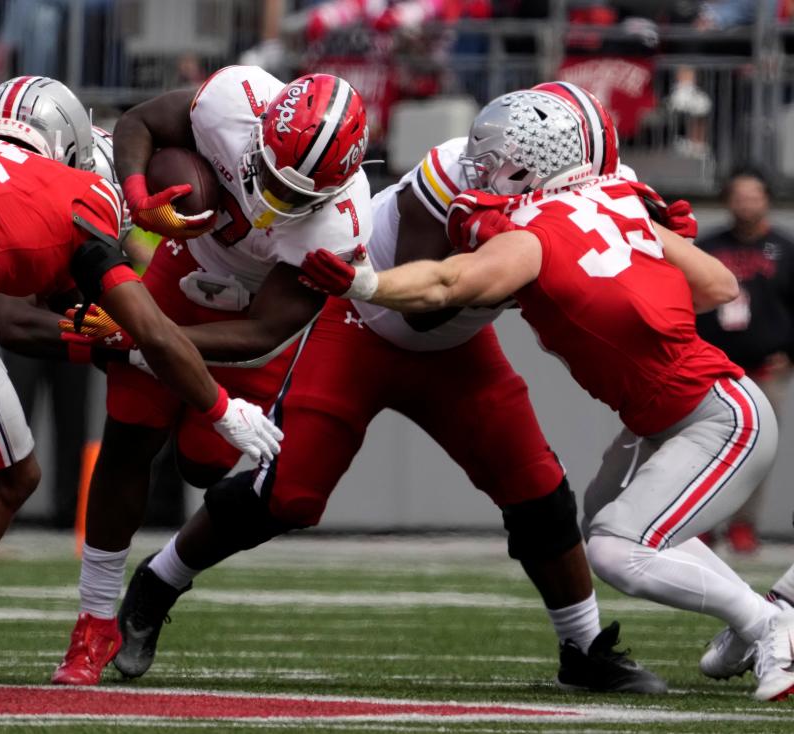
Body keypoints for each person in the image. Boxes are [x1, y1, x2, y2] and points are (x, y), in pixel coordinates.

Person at [93, 82, 667, 695]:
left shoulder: (594, 197)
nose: (487, 168)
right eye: (493, 155)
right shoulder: (452, 171)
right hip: (361, 323)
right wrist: (519, 257)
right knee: (287, 495)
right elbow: (425, 306)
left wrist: (657, 245)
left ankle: (582, 646)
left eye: (508, 162)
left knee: (536, 487)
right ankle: (159, 581)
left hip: (457, 352)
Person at [297, 82, 794, 703]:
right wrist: (653, 246)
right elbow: (718, 286)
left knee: (616, 549)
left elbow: (448, 284)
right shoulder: (622, 202)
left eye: (495, 159)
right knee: (610, 510)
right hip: (669, 412)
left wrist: (367, 283)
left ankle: (769, 622)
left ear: (534, 162)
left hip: (714, 416)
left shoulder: (528, 235)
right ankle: (759, 616)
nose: (479, 171)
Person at [0, 75, 280, 691]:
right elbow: (144, 327)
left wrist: (97, 338)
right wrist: (221, 407)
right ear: (68, 139)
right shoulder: (78, 190)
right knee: (11, 479)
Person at [50, 66, 374, 686]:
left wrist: (138, 338)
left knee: (203, 463)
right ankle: (93, 624)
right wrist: (141, 196)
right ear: (260, 131)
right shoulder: (234, 101)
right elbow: (139, 122)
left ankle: (159, 566)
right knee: (129, 439)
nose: (271, 203)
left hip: (248, 321)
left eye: (295, 197)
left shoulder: (341, 226)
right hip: (181, 269)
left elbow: (262, 331)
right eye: (271, 178)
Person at [695, 167, 794, 553]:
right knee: (704, 448)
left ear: (766, 199)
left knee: (757, 453)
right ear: (727, 200)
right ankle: (701, 523)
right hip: (713, 369)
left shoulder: (785, 250)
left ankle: (743, 526)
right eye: (739, 195)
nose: (746, 203)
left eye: (753, 196)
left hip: (766, 370)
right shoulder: (707, 247)